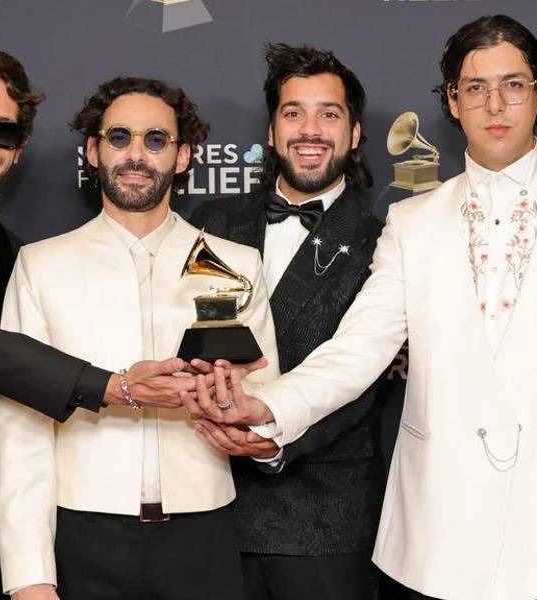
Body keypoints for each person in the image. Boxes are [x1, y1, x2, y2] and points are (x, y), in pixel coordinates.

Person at [184, 14, 537, 600]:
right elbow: (356, 351)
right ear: (453, 102)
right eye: (476, 87)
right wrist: (267, 409)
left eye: (514, 84)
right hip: (438, 529)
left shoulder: (373, 227)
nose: (494, 104)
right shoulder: (412, 222)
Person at [0, 76, 279, 600]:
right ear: (92, 150)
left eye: (156, 139)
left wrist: (257, 434)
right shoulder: (41, 266)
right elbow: (22, 429)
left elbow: (267, 403)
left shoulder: (238, 265)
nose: (136, 155)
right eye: (119, 137)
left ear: (184, 155)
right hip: (83, 536)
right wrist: (29, 576)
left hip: (204, 535)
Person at [0, 47, 200, 600]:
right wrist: (114, 386)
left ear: (18, 150)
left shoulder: (11, 251)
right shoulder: (34, 260)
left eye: (2, 132)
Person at [190, 43, 384, 600]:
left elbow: (361, 376)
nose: (310, 130)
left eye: (330, 114)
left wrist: (273, 444)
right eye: (293, 112)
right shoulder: (213, 221)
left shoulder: (382, 242)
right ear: (272, 132)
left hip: (323, 518)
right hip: (211, 508)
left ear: (355, 133)